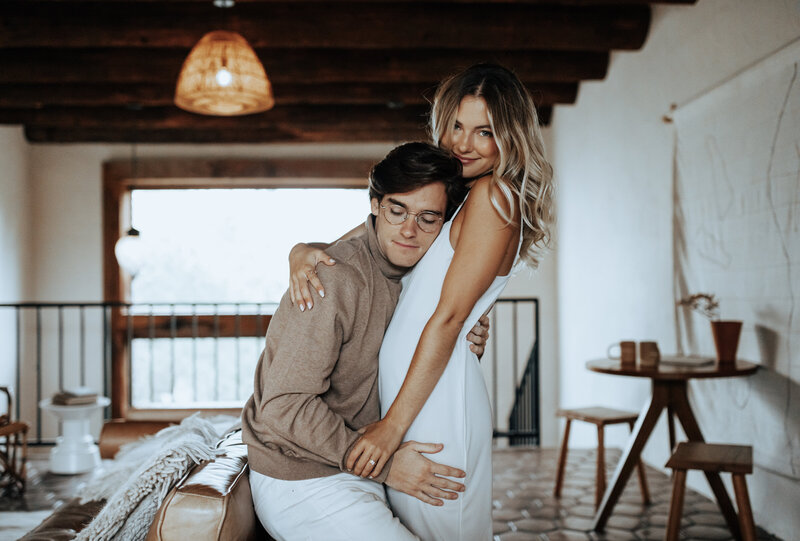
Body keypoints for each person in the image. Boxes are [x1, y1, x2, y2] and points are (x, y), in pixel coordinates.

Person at [287, 63, 554, 540]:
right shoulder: (457, 198)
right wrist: (300, 253)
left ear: (510, 139)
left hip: (431, 404)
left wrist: (391, 427)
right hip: (413, 395)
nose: (463, 143)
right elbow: (356, 246)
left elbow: (449, 319)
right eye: (456, 125)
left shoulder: (494, 196)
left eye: (484, 132)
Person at [242, 142, 490, 541]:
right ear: (375, 205)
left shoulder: (419, 278)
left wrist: (468, 335)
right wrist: (387, 465)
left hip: (354, 468)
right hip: (301, 477)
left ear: (446, 224)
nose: (409, 230)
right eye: (397, 211)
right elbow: (283, 406)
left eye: (428, 218)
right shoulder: (333, 280)